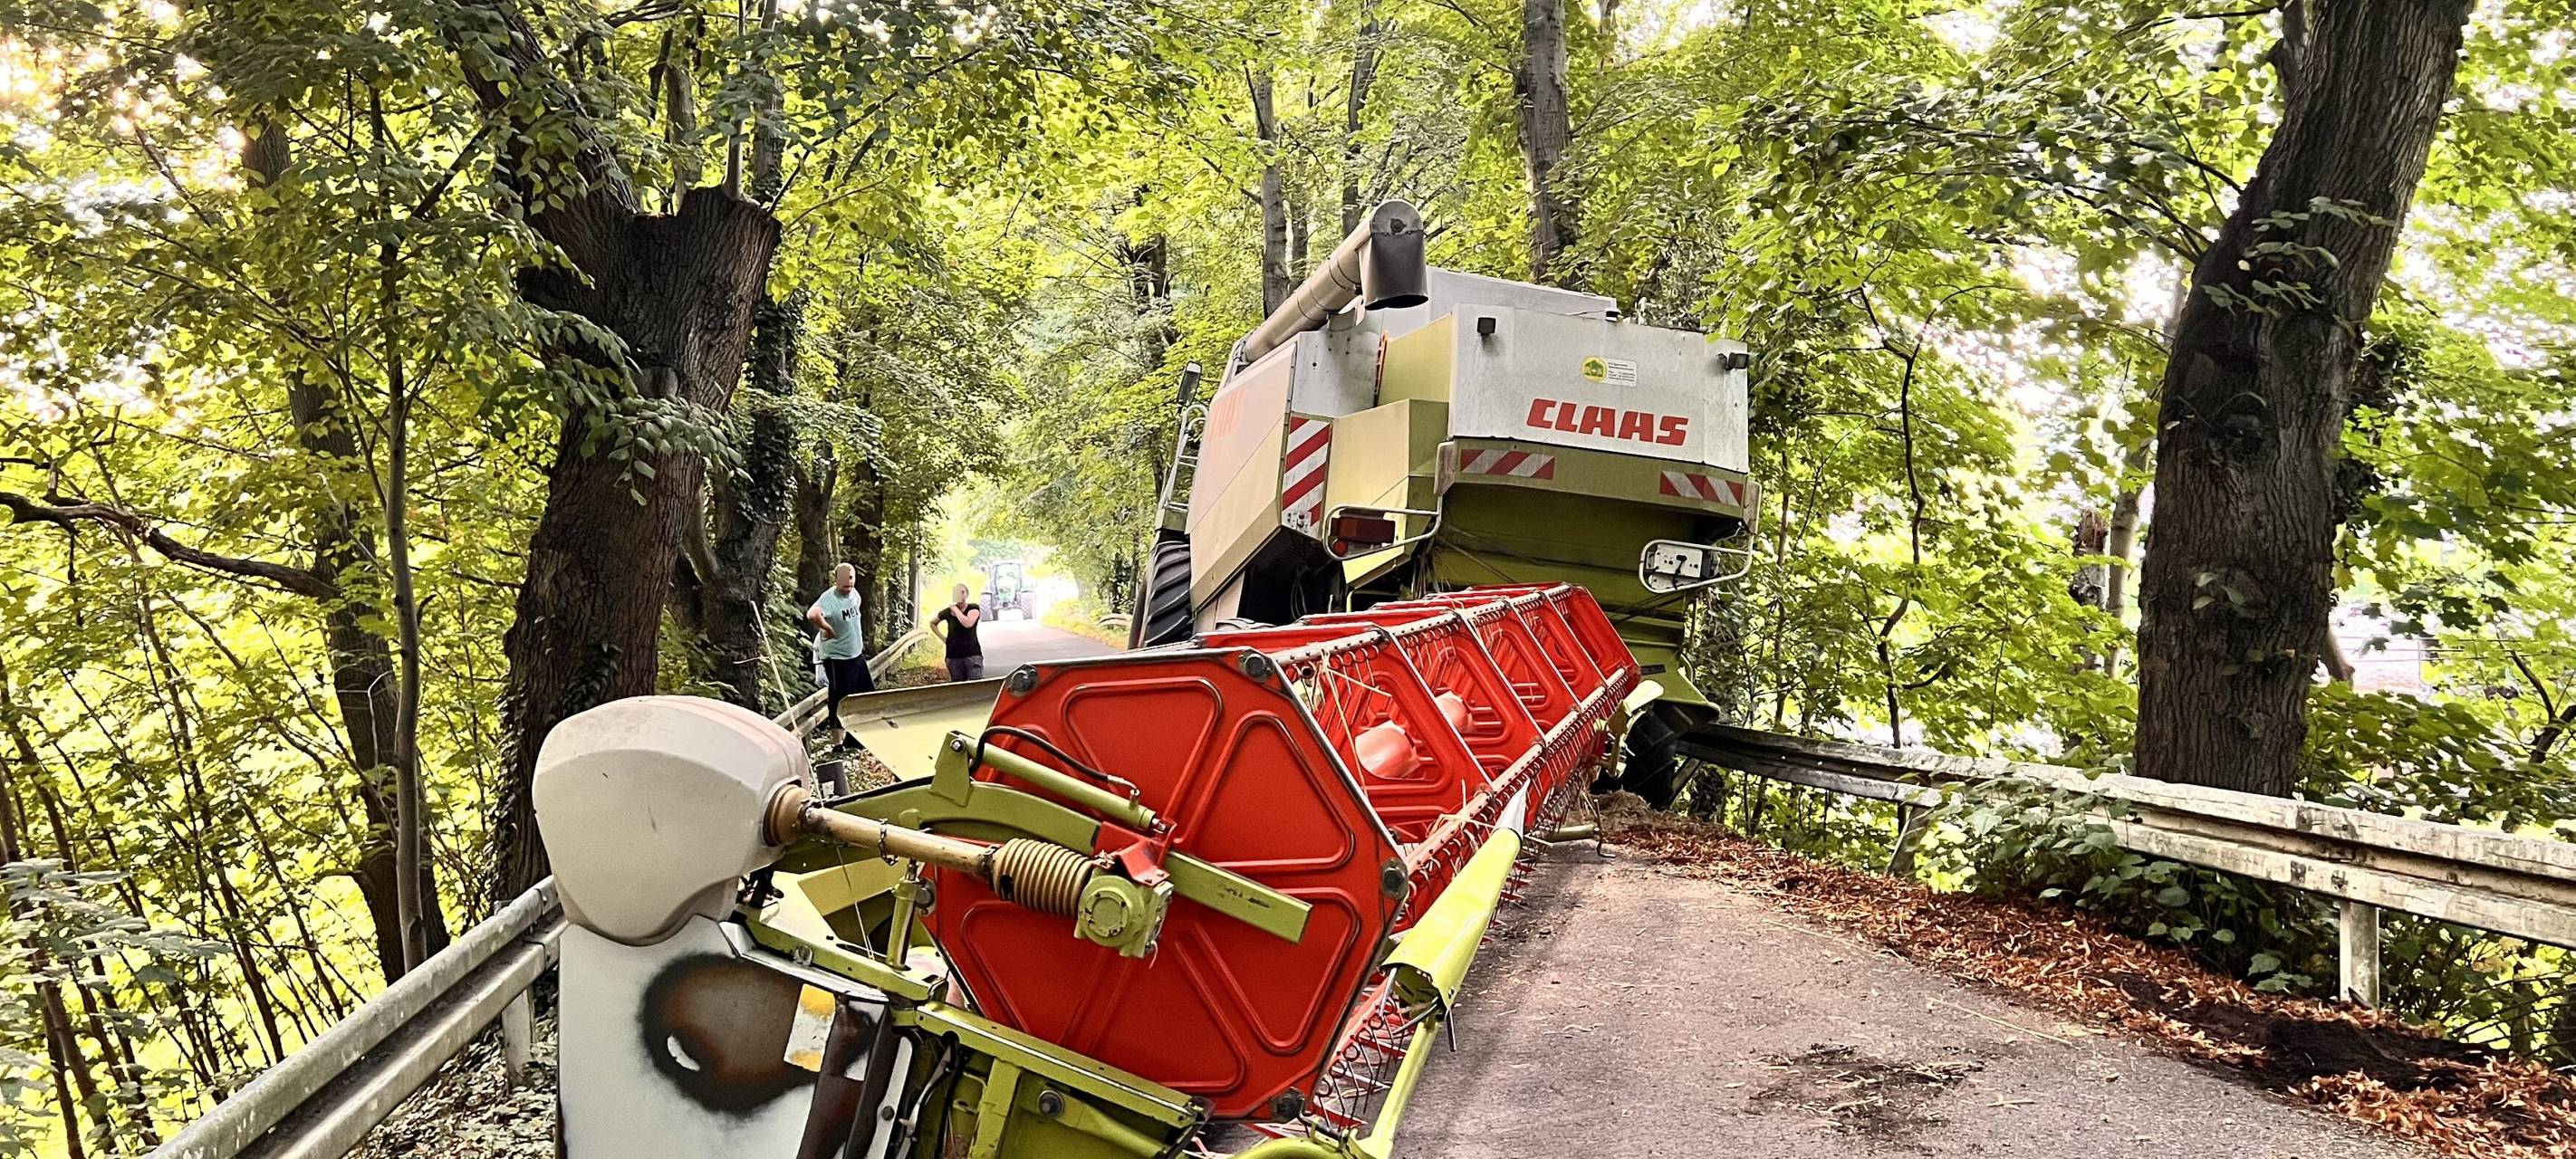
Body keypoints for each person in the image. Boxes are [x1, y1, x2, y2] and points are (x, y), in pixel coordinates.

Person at [807, 563, 872, 749]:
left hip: (855, 655)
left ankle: (855, 738)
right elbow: (812, 614)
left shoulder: (854, 594)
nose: (848, 582)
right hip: (837, 659)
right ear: (835, 579)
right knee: (840, 699)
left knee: (865, 693)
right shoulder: (828, 598)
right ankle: (837, 743)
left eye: (851, 578)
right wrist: (826, 628)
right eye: (844, 578)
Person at [931, 582, 985, 681]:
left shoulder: (973, 608)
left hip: (972, 654)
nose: (960, 594)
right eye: (957, 592)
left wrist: (956, 610)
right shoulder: (947, 612)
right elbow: (933, 623)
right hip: (953, 655)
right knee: (958, 688)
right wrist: (943, 638)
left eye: (962, 592)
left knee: (976, 686)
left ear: (967, 594)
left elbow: (968, 624)